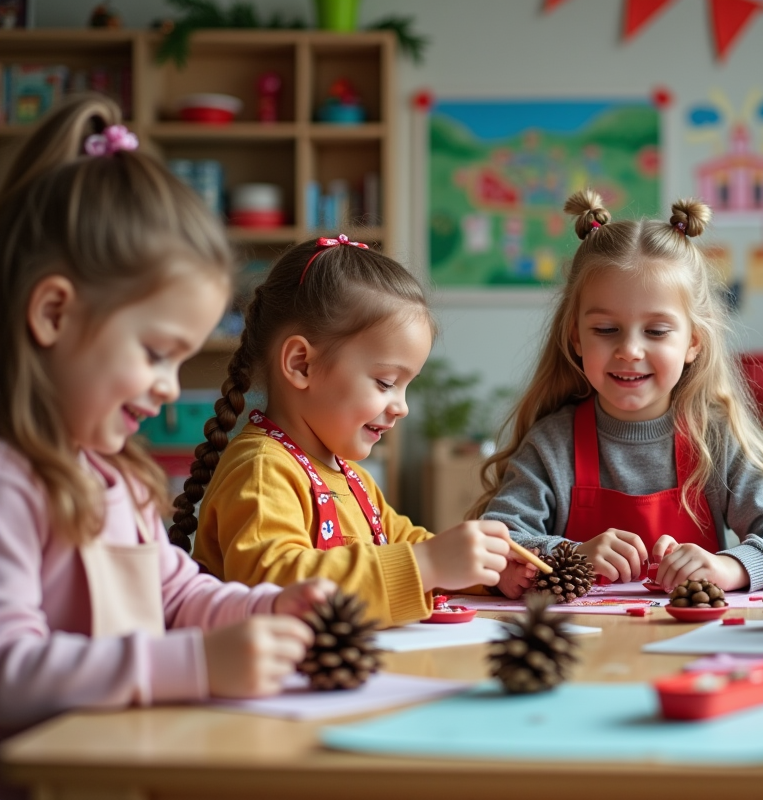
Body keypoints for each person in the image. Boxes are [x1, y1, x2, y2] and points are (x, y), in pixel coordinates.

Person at [0, 95, 331, 737]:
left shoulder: (113, 477)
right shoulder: (13, 484)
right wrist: (193, 665)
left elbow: (179, 596)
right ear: (52, 314)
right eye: (155, 353)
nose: (166, 388)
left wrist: (271, 606)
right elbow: (10, 672)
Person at [471, 189, 763, 598]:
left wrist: (729, 566)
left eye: (656, 331)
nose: (630, 350)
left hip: (690, 647)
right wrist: (571, 555)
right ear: (576, 337)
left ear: (693, 342)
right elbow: (497, 540)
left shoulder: (715, 440)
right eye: (606, 330)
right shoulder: (552, 444)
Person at [176, 234, 514, 626]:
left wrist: (483, 572)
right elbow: (276, 586)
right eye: (386, 383)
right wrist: (428, 564)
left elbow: (404, 544)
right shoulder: (262, 469)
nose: (402, 407)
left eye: (407, 386)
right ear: (302, 364)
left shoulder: (353, 479)